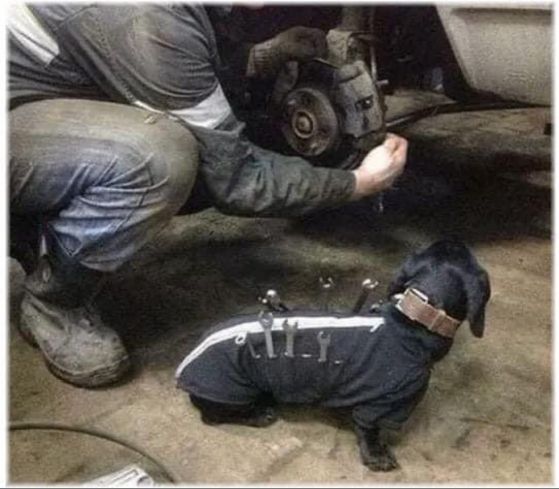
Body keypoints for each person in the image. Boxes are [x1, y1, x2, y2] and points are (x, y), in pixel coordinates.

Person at [8, 4, 408, 388]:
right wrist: (357, 181)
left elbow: (174, 58)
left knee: (195, 150)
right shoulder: (145, 14)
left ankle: (50, 229)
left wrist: (259, 56)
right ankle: (54, 300)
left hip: (41, 92)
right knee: (161, 160)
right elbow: (237, 178)